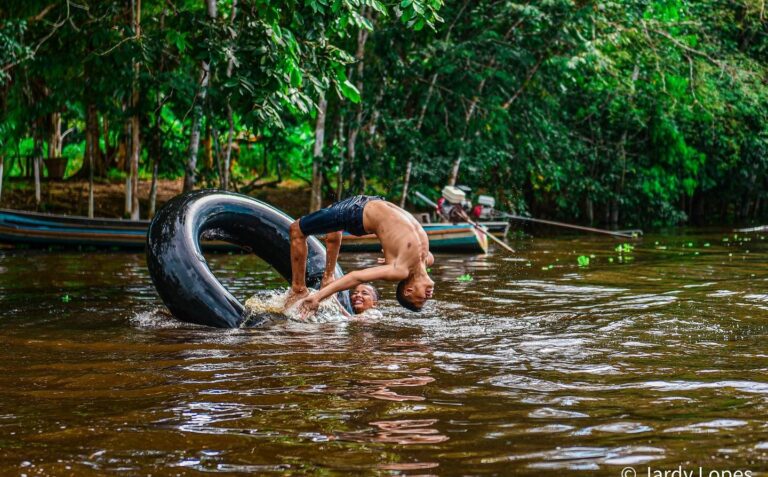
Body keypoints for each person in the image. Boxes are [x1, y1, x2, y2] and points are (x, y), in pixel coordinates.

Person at [284, 195, 434, 317]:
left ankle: (298, 290)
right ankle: (327, 277)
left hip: (356, 212)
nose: (429, 296)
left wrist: (317, 297)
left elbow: (356, 277)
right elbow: (411, 248)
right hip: (369, 202)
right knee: (331, 225)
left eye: (422, 299)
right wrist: (391, 260)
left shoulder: (400, 270)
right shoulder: (426, 259)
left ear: (408, 291)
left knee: (296, 229)